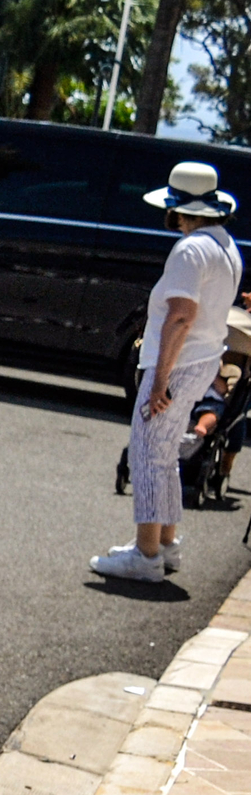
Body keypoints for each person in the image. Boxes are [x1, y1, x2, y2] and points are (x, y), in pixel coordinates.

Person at [92, 163, 241, 583]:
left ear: (179, 210)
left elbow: (180, 317)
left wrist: (159, 379)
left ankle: (146, 554)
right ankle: (165, 544)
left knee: (147, 453)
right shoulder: (225, 245)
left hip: (177, 363)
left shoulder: (191, 250)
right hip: (203, 360)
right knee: (165, 453)